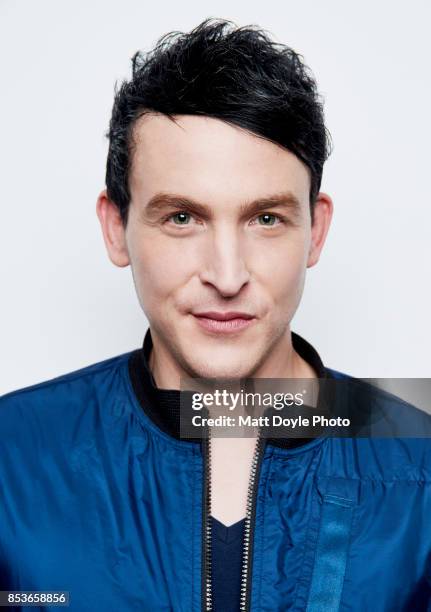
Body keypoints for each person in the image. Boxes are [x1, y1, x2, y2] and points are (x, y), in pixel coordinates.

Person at [1, 17, 430, 612]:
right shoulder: (12, 458)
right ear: (116, 229)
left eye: (266, 219)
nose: (227, 277)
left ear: (316, 231)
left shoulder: (422, 466)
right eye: (182, 218)